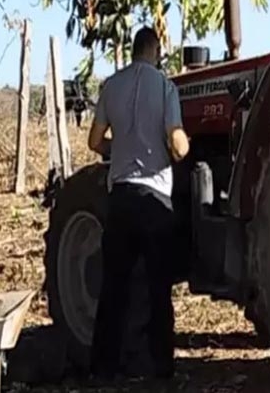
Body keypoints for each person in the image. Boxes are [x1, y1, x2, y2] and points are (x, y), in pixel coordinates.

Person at [87, 26, 190, 380]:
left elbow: (94, 140)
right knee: (159, 288)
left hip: (121, 200)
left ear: (132, 51)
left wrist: (117, 151)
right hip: (154, 200)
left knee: (113, 286)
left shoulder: (111, 86)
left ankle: (103, 368)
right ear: (156, 50)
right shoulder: (165, 87)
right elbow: (177, 145)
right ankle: (161, 368)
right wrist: (184, 150)